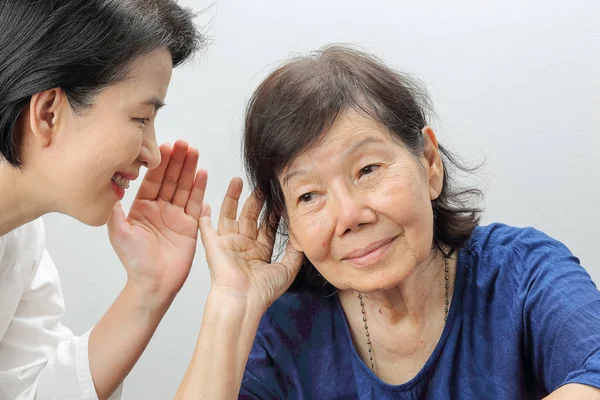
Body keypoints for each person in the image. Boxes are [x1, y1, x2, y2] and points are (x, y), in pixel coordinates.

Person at [177, 46, 600, 399]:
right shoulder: (285, 331)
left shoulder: (521, 273)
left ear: (429, 164)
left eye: (368, 169)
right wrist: (230, 304)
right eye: (309, 195)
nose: (349, 217)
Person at [0, 1, 207, 399]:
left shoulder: (22, 243)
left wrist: (149, 290)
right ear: (48, 114)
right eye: (141, 119)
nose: (152, 154)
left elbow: (32, 391)